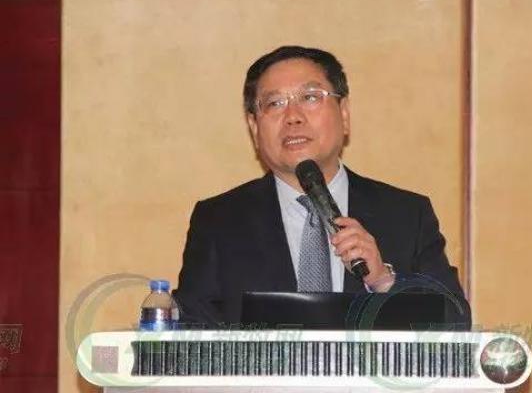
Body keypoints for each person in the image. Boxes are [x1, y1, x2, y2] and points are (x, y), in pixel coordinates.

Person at [173, 46, 469, 327]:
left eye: (310, 97)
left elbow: (455, 322)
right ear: (254, 128)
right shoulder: (218, 221)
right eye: (275, 103)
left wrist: (383, 281)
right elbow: (192, 332)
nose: (293, 117)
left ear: (344, 114)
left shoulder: (406, 215)